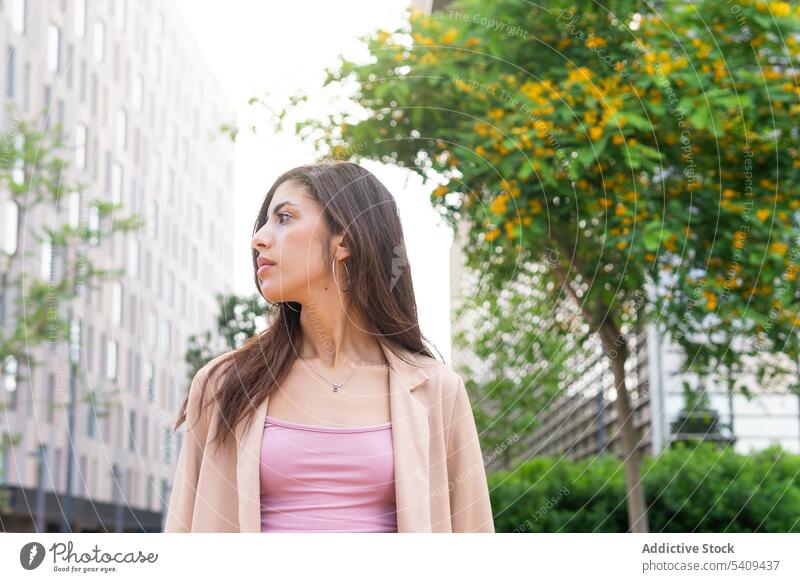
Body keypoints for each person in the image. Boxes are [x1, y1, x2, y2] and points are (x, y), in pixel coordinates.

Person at [164, 161, 494, 533]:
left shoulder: (437, 391)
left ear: (345, 241)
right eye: (264, 222)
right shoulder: (223, 384)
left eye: (284, 218)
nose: (259, 238)